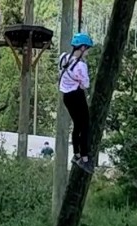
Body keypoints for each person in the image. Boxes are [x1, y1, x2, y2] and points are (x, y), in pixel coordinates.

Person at [59, 32, 95, 174]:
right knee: (84, 126)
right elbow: (85, 84)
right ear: (82, 48)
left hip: (66, 96)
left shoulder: (63, 57)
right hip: (77, 95)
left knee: (77, 125)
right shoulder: (81, 66)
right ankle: (85, 159)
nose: (87, 52)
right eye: (87, 49)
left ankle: (77, 154)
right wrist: (80, 83)